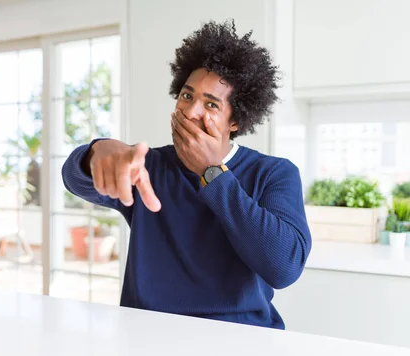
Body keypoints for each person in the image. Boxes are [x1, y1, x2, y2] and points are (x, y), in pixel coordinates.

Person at [61, 19, 311, 330]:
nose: (191, 112)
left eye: (211, 104)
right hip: (148, 335)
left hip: (241, 338)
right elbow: (74, 179)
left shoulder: (274, 173)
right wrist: (97, 152)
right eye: (187, 96)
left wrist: (213, 175)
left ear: (236, 121)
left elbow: (284, 267)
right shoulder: (148, 166)